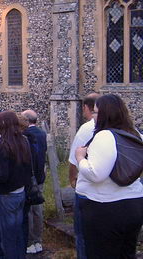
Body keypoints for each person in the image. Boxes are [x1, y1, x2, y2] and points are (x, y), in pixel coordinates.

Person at [75, 94, 143, 258]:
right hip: (134, 203)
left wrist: (80, 158)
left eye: (97, 113)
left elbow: (96, 174)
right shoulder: (136, 134)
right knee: (126, 253)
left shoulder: (104, 136)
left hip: (106, 207)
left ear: (107, 114)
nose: (93, 116)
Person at [0, 111, 31, 259]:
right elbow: (25, 168)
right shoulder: (23, 141)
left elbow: (3, 176)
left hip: (6, 195)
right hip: (20, 192)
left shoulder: (3, 145)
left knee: (8, 236)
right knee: (18, 232)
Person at [68, 93, 100, 259]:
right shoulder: (126, 129)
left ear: (87, 108)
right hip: (116, 196)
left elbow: (74, 159)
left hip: (87, 190)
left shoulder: (87, 128)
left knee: (83, 235)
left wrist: (72, 180)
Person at [21, 110, 47, 254]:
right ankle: (38, 241)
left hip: (30, 178)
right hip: (40, 176)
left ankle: (30, 242)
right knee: (38, 210)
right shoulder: (42, 133)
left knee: (29, 211)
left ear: (26, 120)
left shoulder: (26, 135)